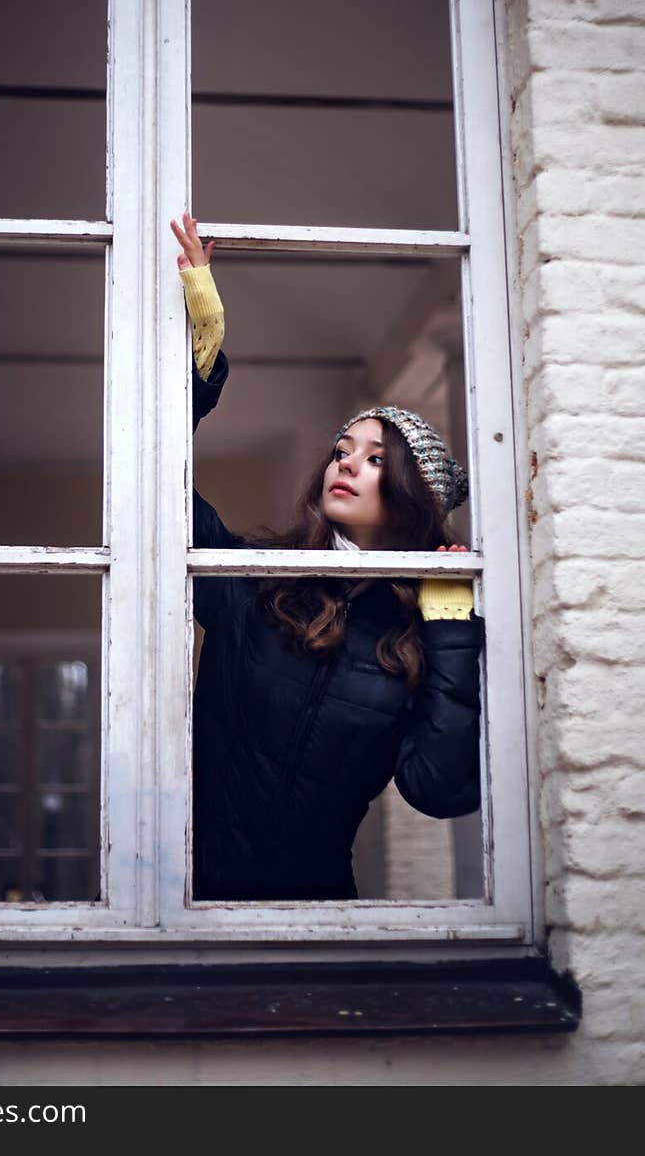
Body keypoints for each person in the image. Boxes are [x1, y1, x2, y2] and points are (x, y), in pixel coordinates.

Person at [171, 211, 484, 902]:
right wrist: (202, 345)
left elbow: (436, 786)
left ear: (406, 495)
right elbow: (155, 487)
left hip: (320, 919)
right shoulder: (258, 581)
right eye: (342, 450)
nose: (345, 463)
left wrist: (452, 612)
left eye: (374, 459)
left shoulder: (412, 639)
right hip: (192, 901)